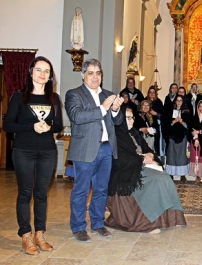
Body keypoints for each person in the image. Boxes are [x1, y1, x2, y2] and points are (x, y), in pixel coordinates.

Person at [3, 56, 63, 255]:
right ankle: (25, 235)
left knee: (41, 194)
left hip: (47, 151)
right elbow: (7, 125)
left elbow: (58, 125)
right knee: (25, 193)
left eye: (47, 71)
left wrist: (48, 127)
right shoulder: (19, 97)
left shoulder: (54, 99)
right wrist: (31, 126)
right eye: (39, 69)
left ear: (50, 76)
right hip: (24, 151)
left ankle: (40, 233)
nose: (42, 74)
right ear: (31, 72)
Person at [65, 58, 124, 242]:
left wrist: (115, 110)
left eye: (98, 73)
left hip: (106, 148)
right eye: (90, 72)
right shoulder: (74, 94)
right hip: (85, 149)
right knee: (81, 190)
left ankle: (98, 223)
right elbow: (77, 116)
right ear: (83, 75)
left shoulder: (107, 94)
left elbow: (118, 121)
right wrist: (103, 107)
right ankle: (78, 227)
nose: (95, 76)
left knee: (101, 190)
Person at [105, 108, 186, 233]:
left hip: (140, 165)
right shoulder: (115, 135)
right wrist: (142, 159)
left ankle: (173, 218)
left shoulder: (134, 133)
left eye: (132, 117)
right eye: (128, 118)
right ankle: (147, 224)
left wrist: (150, 155)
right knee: (156, 179)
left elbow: (148, 149)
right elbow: (119, 158)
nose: (132, 121)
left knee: (165, 177)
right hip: (126, 171)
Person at [165, 95, 191, 182]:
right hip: (172, 136)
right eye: (177, 100)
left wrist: (182, 122)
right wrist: (174, 121)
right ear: (175, 102)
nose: (179, 102)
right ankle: (171, 174)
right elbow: (166, 125)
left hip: (183, 137)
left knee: (182, 157)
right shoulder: (169, 111)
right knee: (171, 156)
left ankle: (182, 175)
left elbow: (189, 127)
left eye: (180, 100)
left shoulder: (187, 112)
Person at [146, 86, 166, 162]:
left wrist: (156, 113)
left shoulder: (158, 102)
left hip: (157, 127)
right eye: (150, 92)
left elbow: (163, 115)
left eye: (153, 92)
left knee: (157, 144)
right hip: (147, 126)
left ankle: (158, 160)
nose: (151, 94)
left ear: (156, 93)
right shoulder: (145, 101)